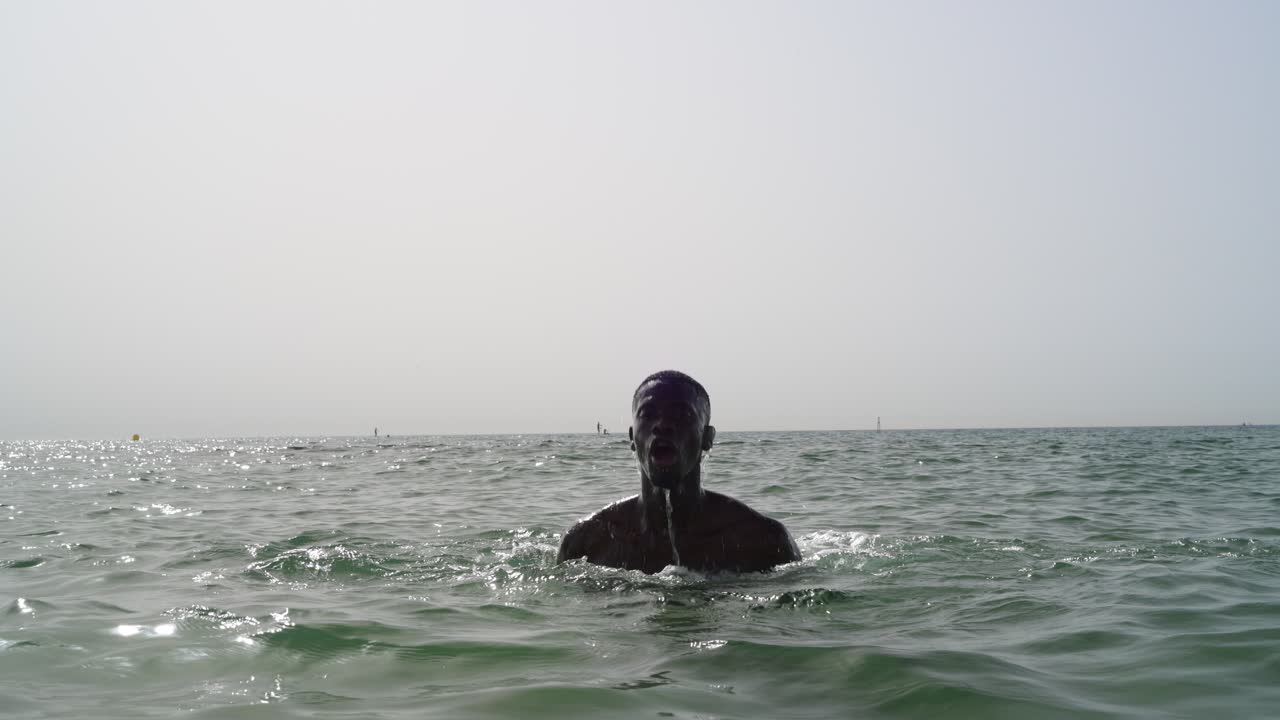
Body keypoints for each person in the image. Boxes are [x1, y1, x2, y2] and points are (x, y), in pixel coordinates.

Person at [557, 370, 801, 573]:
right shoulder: (586, 544)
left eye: (681, 415)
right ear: (632, 438)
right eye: (648, 414)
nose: (662, 425)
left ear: (707, 438)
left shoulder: (763, 541)